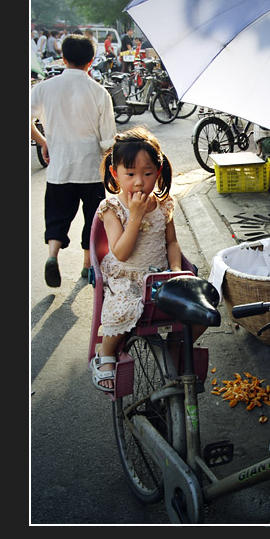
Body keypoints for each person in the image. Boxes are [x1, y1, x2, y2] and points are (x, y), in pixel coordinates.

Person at [89, 128, 183, 392]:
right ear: (115, 173)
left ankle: (176, 347)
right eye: (130, 174)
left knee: (196, 309)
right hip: (126, 276)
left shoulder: (164, 205)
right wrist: (136, 216)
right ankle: (105, 353)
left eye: (148, 173)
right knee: (125, 307)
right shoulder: (112, 208)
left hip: (158, 275)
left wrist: (175, 270)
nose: (139, 182)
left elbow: (172, 242)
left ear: (159, 172)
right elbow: (121, 252)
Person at [30, 34, 117, 287]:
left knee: (57, 216)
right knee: (93, 219)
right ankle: (87, 266)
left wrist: (43, 141)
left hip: (59, 169)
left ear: (63, 58)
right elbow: (108, 141)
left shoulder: (45, 88)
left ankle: (52, 256)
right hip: (91, 170)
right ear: (91, 61)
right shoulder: (100, 93)